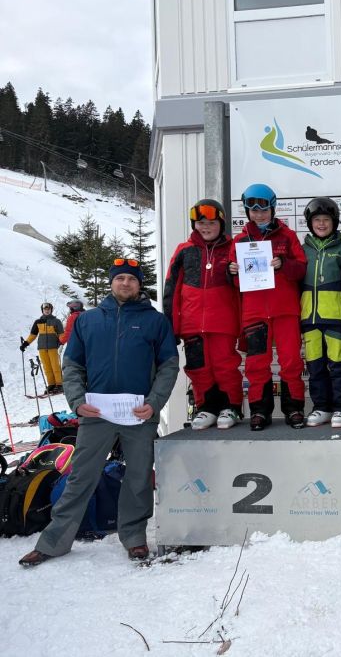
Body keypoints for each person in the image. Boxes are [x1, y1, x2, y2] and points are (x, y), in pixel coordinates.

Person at [19, 259, 178, 566]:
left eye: (132, 279)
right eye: (120, 279)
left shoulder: (155, 322)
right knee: (80, 477)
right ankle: (54, 542)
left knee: (138, 478)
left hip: (139, 415)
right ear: (111, 282)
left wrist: (154, 403)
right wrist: (77, 402)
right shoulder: (88, 321)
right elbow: (73, 365)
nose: (125, 283)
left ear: (139, 284)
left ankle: (133, 537)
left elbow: (169, 365)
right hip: (96, 414)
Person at [228, 183, 308, 430]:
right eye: (252, 210)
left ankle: (294, 409)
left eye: (263, 209)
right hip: (255, 313)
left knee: (291, 361)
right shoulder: (240, 240)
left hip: (285, 309)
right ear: (247, 212)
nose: (258, 215)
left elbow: (301, 269)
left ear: (272, 209)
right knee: (256, 364)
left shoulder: (288, 236)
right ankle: (259, 412)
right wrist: (232, 271)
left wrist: (283, 263)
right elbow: (237, 282)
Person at [163, 199, 243, 430]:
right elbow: (171, 289)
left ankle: (232, 406)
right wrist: (171, 325)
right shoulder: (184, 251)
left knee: (225, 365)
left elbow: (244, 286)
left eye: (211, 222)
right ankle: (205, 407)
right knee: (198, 367)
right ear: (194, 225)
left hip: (223, 322)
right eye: (200, 223)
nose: (206, 227)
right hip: (191, 322)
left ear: (221, 223)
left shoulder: (233, 248)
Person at [301, 197, 341, 428]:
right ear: (310, 222)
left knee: (338, 364)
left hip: (336, 318)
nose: (322, 224)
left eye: (326, 219)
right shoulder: (303, 249)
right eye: (317, 220)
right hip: (310, 319)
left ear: (334, 221)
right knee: (315, 366)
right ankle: (321, 407)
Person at [20, 303, 64, 394]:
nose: (47, 311)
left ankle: (59, 385)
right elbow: (33, 335)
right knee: (46, 367)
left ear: (51, 310)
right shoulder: (38, 322)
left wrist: (60, 341)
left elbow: (61, 334)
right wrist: (25, 343)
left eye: (48, 309)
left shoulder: (56, 321)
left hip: (53, 347)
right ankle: (51, 385)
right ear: (42, 310)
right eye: (45, 309)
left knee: (55, 366)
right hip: (42, 348)